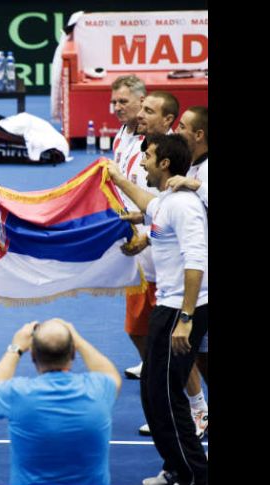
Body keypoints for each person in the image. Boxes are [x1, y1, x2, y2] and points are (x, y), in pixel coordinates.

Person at [107, 134, 208, 485]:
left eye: (147, 156)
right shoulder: (166, 199)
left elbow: (197, 261)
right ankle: (176, 467)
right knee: (153, 390)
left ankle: (193, 473)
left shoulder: (183, 204)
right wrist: (118, 180)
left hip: (183, 309)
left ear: (164, 164)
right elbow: (150, 206)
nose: (143, 162)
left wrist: (186, 318)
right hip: (168, 305)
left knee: (166, 396)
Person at [0, 318, 121, 485]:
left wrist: (16, 348)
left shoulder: (18, 395)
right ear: (72, 352)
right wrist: (79, 341)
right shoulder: (99, 389)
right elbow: (111, 375)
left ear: (33, 354)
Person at [172, 105, 209, 438]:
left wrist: (194, 186)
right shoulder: (192, 166)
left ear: (199, 135)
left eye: (181, 126)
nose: (175, 130)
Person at [109, 75, 148, 380]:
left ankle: (193, 401)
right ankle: (151, 363)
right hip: (130, 233)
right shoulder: (121, 134)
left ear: (142, 101)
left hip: (155, 240)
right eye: (114, 102)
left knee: (160, 325)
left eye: (123, 101)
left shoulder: (159, 144)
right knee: (135, 321)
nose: (116, 107)